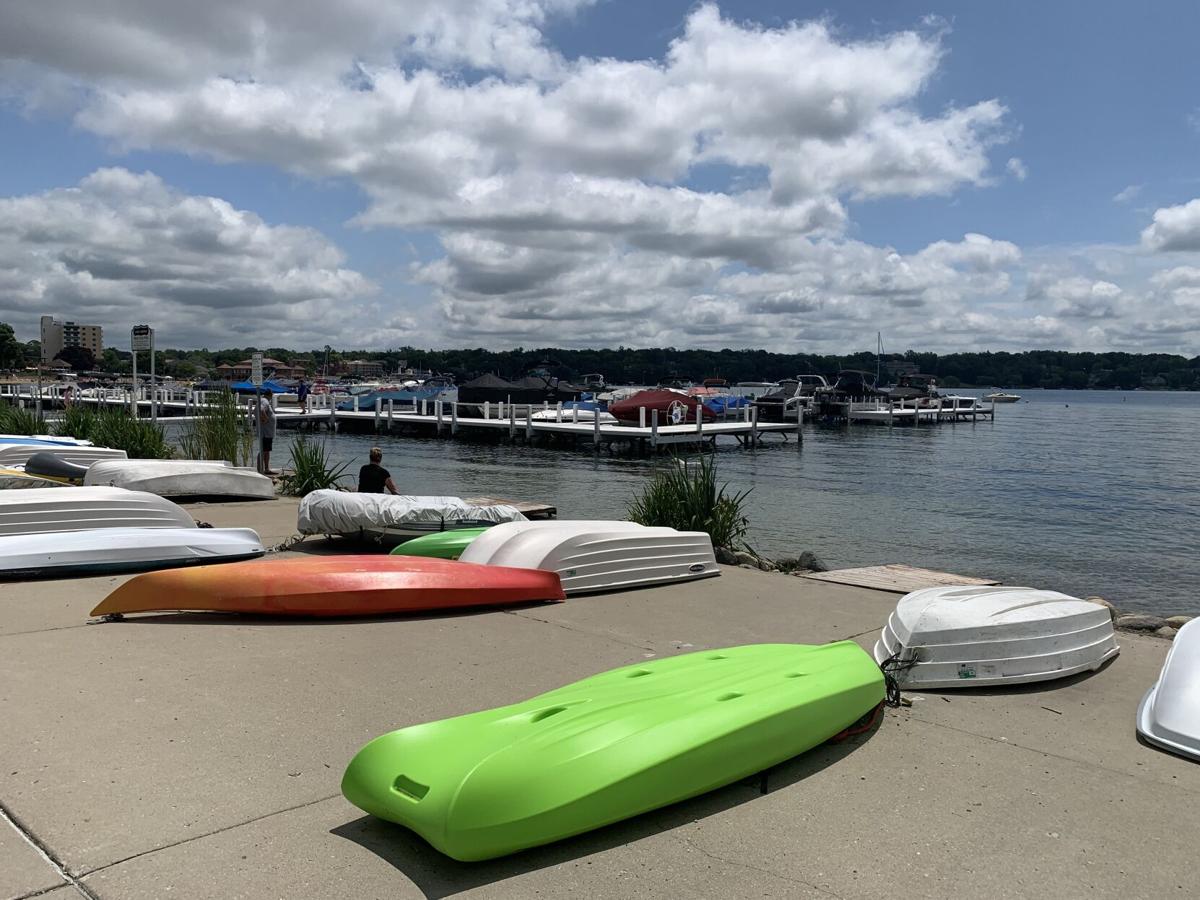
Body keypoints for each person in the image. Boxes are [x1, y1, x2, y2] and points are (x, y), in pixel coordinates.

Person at [258, 388, 278, 475]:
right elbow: (261, 410)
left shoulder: (264, 400)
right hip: (265, 432)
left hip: (267, 433)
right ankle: (260, 470)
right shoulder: (265, 401)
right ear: (270, 394)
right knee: (263, 451)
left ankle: (266, 469)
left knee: (266, 451)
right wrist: (266, 420)